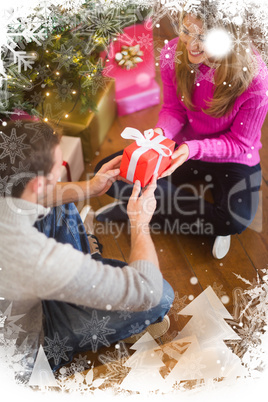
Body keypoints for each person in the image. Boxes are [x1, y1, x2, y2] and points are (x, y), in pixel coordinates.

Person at [0, 120, 174, 381]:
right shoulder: (30, 254)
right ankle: (84, 281)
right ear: (37, 184)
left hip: (17, 299)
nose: (60, 174)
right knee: (162, 295)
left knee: (62, 201)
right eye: (56, 172)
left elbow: (30, 197)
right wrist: (139, 222)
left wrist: (90, 187)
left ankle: (85, 272)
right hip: (28, 348)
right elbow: (146, 289)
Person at [94, 1, 268, 259]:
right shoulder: (173, 54)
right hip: (183, 147)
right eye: (187, 31)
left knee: (235, 220)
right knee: (108, 173)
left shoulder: (256, 79)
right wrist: (160, 136)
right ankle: (151, 207)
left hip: (232, 157)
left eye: (204, 38)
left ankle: (145, 208)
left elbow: (241, 143)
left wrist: (192, 149)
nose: (191, 45)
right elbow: (174, 110)